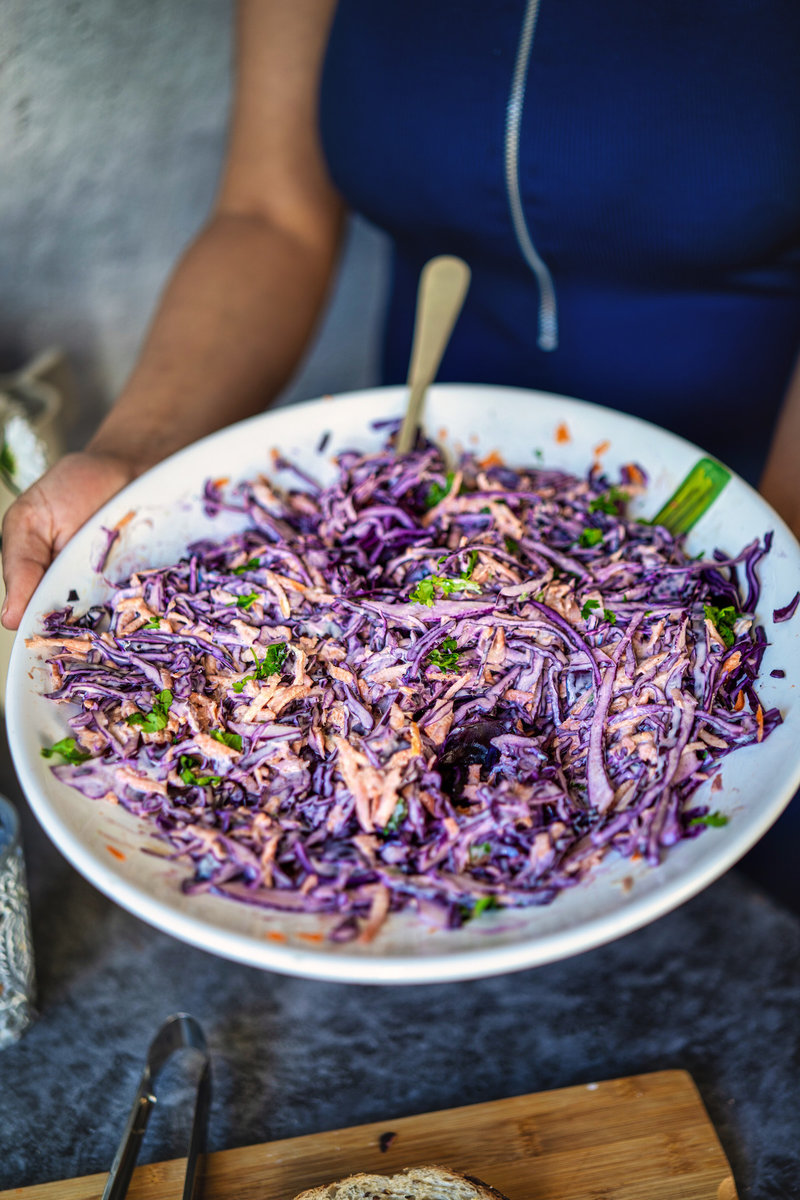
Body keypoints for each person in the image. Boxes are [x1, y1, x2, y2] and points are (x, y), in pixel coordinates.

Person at [3, 1, 799, 899]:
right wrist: (136, 457)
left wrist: (754, 597)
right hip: (426, 462)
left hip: (740, 485)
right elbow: (271, 215)